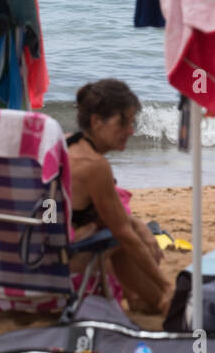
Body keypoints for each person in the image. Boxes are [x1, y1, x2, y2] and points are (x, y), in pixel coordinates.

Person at [66, 79, 172, 314]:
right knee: (125, 241)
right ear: (96, 121)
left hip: (33, 251)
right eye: (122, 122)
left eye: (131, 122)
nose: (130, 130)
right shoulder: (95, 166)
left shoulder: (65, 143)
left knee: (133, 230)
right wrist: (166, 284)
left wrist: (137, 226)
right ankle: (160, 300)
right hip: (60, 262)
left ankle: (141, 299)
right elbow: (124, 234)